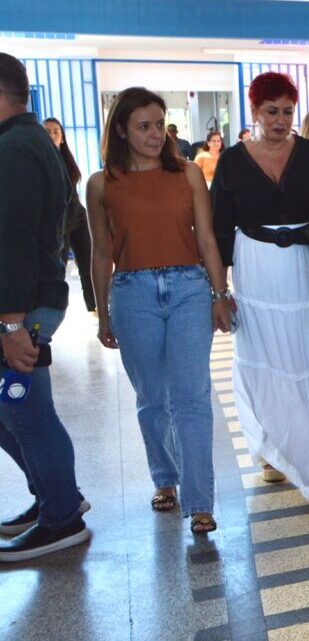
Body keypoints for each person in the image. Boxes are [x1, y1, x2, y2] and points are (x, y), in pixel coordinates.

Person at [86, 87, 233, 535]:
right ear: (122, 131)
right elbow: (99, 254)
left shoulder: (188, 174)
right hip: (132, 294)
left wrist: (219, 293)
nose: (155, 134)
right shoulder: (100, 183)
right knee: (152, 399)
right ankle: (165, 479)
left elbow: (207, 238)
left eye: (158, 124)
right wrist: (103, 316)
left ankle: (201, 502)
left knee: (192, 397)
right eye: (143, 126)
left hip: (190, 288)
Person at [212, 72, 309, 508]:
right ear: (254, 112)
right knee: (265, 359)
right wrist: (220, 291)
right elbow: (218, 231)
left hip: (303, 269)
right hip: (256, 270)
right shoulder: (231, 161)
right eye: (272, 111)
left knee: (308, 358)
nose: (281, 120)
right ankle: (272, 447)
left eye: (288, 111)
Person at [0, 52, 91, 561]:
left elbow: (11, 242)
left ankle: (61, 516)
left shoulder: (15, 150)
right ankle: (53, 497)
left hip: (23, 311)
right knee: (15, 412)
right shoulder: (25, 142)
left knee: (27, 414)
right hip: (26, 307)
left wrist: (11, 324)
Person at [44, 117, 96, 313]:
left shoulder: (67, 159)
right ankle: (53, 311)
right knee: (58, 269)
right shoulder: (42, 159)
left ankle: (95, 308)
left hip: (78, 218)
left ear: (62, 137)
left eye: (55, 131)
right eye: (47, 131)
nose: (51, 135)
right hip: (60, 223)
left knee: (88, 265)